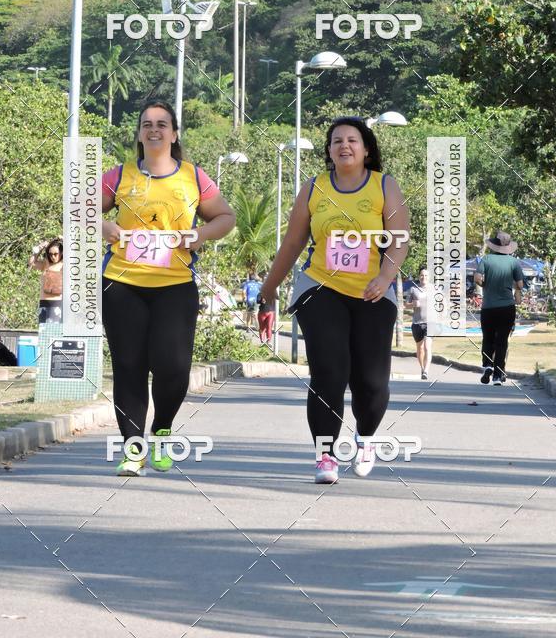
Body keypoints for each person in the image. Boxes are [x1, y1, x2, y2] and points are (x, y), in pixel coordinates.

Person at [260, 117, 409, 484]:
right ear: (328, 150)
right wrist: (269, 287)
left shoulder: (384, 185)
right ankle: (325, 455)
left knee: (371, 382)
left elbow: (400, 237)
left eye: (352, 140)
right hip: (320, 288)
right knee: (329, 371)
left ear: (367, 149)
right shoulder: (314, 189)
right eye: (336, 140)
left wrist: (385, 277)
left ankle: (366, 437)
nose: (344, 145)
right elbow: (293, 243)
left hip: (373, 291)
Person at [101, 100, 235, 476]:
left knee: (173, 366)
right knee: (129, 367)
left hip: (175, 286)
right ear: (140, 134)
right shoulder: (120, 175)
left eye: (162, 124)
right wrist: (103, 226)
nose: (154, 130)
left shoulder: (193, 176)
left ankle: (161, 432)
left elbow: (226, 217)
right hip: (122, 283)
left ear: (174, 134)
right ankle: (132, 449)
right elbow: (81, 207)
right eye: (147, 124)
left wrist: (200, 235)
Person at [474, 231, 524, 385]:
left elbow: (477, 278)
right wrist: (514, 289)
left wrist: (485, 285)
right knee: (502, 342)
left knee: (487, 338)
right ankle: (497, 375)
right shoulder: (514, 262)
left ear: (494, 245)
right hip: (507, 307)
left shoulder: (486, 259)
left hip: (489, 307)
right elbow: (520, 285)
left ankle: (487, 365)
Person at [406, 266, 432, 380]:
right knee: (420, 348)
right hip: (417, 323)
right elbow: (406, 304)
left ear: (429, 277)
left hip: (430, 322)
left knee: (427, 347)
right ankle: (422, 368)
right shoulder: (413, 289)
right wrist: (412, 304)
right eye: (422, 275)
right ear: (419, 276)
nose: (424, 277)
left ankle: (426, 371)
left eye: (426, 275)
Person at [28, 237, 63, 324]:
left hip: (56, 303)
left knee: (53, 333)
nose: (53, 256)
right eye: (50, 254)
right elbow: (31, 263)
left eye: (56, 254)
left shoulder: (63, 265)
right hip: (43, 303)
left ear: (61, 253)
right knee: (44, 333)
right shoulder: (45, 264)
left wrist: (64, 240)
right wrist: (40, 247)